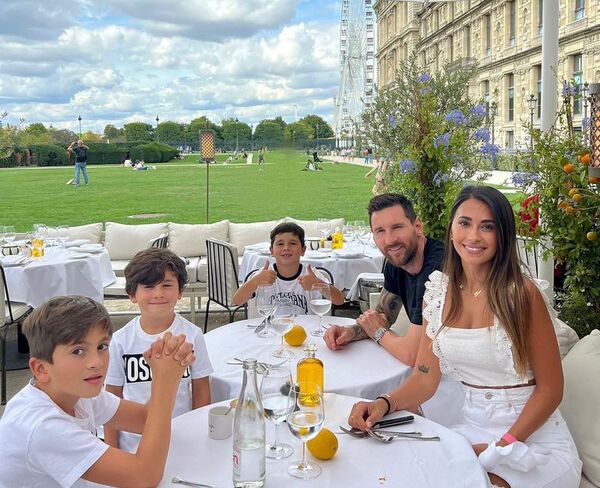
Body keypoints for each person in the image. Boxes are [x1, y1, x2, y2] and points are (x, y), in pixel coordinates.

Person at [347, 186, 582, 488]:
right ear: (451, 228)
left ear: (503, 235)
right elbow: (424, 377)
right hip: (471, 428)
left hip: (532, 439)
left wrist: (502, 446)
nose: (473, 236)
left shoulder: (521, 294)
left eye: (487, 227)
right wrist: (384, 402)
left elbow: (551, 389)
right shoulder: (438, 292)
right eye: (465, 223)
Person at [0, 295, 196, 486]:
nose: (97, 362)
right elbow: (144, 477)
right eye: (78, 351)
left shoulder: (75, 392)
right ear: (41, 369)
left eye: (102, 346)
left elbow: (145, 419)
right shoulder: (43, 426)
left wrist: (172, 368)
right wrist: (165, 381)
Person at [104, 248, 212, 452]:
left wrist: (200, 436)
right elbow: (112, 399)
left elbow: (201, 389)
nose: (158, 293)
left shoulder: (193, 335)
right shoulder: (120, 341)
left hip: (181, 440)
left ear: (180, 292)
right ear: (132, 294)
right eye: (149, 286)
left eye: (167, 285)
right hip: (134, 443)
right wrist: (112, 449)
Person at [324, 193, 444, 367]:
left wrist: (379, 333)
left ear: (417, 226)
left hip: (462, 379)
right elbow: (383, 314)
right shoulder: (397, 262)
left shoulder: (436, 270)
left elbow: (412, 354)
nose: (389, 240)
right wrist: (350, 332)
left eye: (397, 227)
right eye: (380, 231)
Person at [233, 222, 345, 315]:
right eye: (280, 244)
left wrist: (318, 284)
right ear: (271, 251)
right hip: (271, 332)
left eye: (292, 243)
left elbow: (339, 300)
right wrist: (255, 282)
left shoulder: (312, 275)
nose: (286, 248)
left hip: (304, 333)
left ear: (303, 250)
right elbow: (237, 300)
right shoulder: (262, 276)